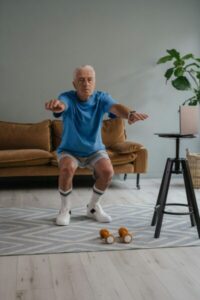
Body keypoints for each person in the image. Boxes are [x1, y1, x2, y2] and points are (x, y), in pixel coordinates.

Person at [45, 65, 148, 226]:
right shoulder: (67, 97)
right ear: (74, 84)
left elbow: (116, 107)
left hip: (95, 150)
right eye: (81, 80)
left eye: (89, 80)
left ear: (94, 82)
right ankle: (65, 209)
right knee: (66, 169)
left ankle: (93, 207)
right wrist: (58, 107)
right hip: (70, 150)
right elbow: (62, 105)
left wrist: (130, 114)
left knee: (107, 172)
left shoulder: (102, 98)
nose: (86, 84)